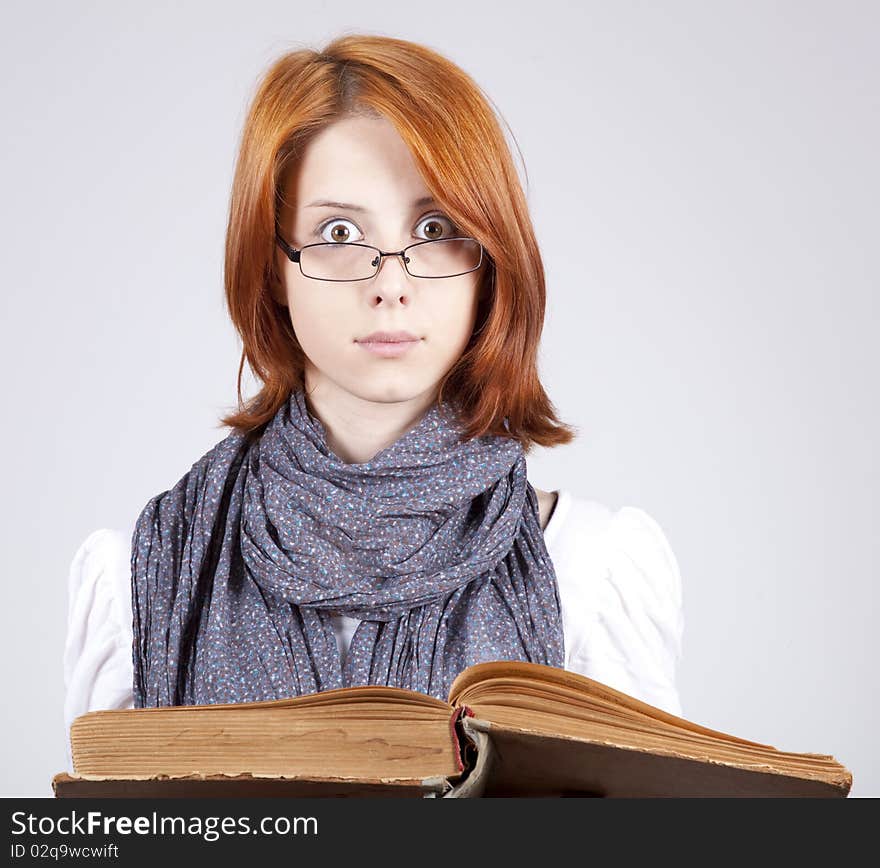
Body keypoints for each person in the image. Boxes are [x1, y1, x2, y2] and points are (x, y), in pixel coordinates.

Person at [62, 34, 684, 773]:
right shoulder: (143, 577)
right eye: (339, 233)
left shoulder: (593, 569)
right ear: (272, 267)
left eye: (434, 229)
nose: (391, 282)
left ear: (490, 261)